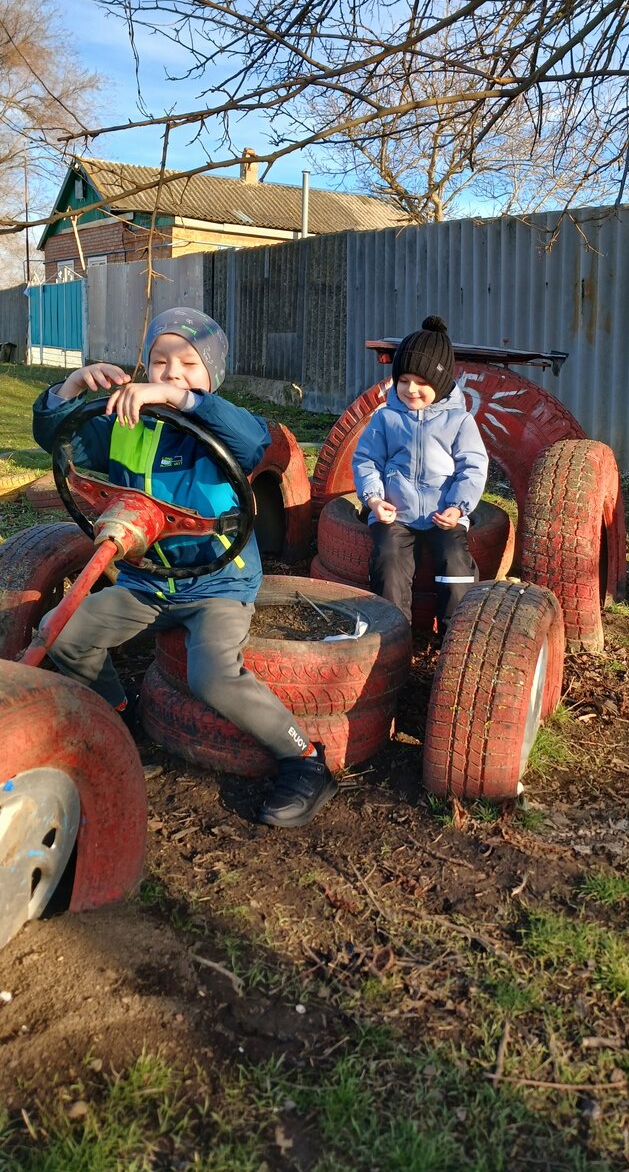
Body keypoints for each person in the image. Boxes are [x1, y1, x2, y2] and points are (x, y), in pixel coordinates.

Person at [32, 306, 337, 829]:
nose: (172, 374)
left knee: (211, 676)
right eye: (160, 362)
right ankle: (118, 723)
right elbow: (61, 440)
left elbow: (255, 442)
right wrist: (70, 389)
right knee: (63, 633)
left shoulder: (224, 431)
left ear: (211, 375)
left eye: (189, 365)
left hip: (217, 584)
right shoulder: (127, 425)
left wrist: (181, 400)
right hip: (147, 580)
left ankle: (306, 760)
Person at [352, 315, 488, 635]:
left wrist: (458, 507)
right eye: (403, 380)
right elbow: (366, 460)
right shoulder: (386, 418)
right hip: (396, 514)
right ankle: (393, 634)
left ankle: (455, 634)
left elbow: (473, 466)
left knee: (455, 562)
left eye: (422, 382)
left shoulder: (459, 421)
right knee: (388, 560)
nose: (411, 389)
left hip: (444, 515)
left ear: (439, 384)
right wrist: (374, 500)